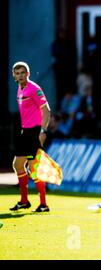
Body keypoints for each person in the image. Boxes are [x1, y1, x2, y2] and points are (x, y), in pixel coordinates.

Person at [10, 62, 51, 212]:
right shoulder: (19, 89)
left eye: (23, 72)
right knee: (18, 165)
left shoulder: (34, 89)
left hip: (34, 132)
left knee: (34, 167)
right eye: (17, 73)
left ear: (28, 74)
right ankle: (24, 201)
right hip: (25, 131)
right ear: (14, 75)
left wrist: (43, 130)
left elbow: (46, 110)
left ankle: (43, 204)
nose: (20, 75)